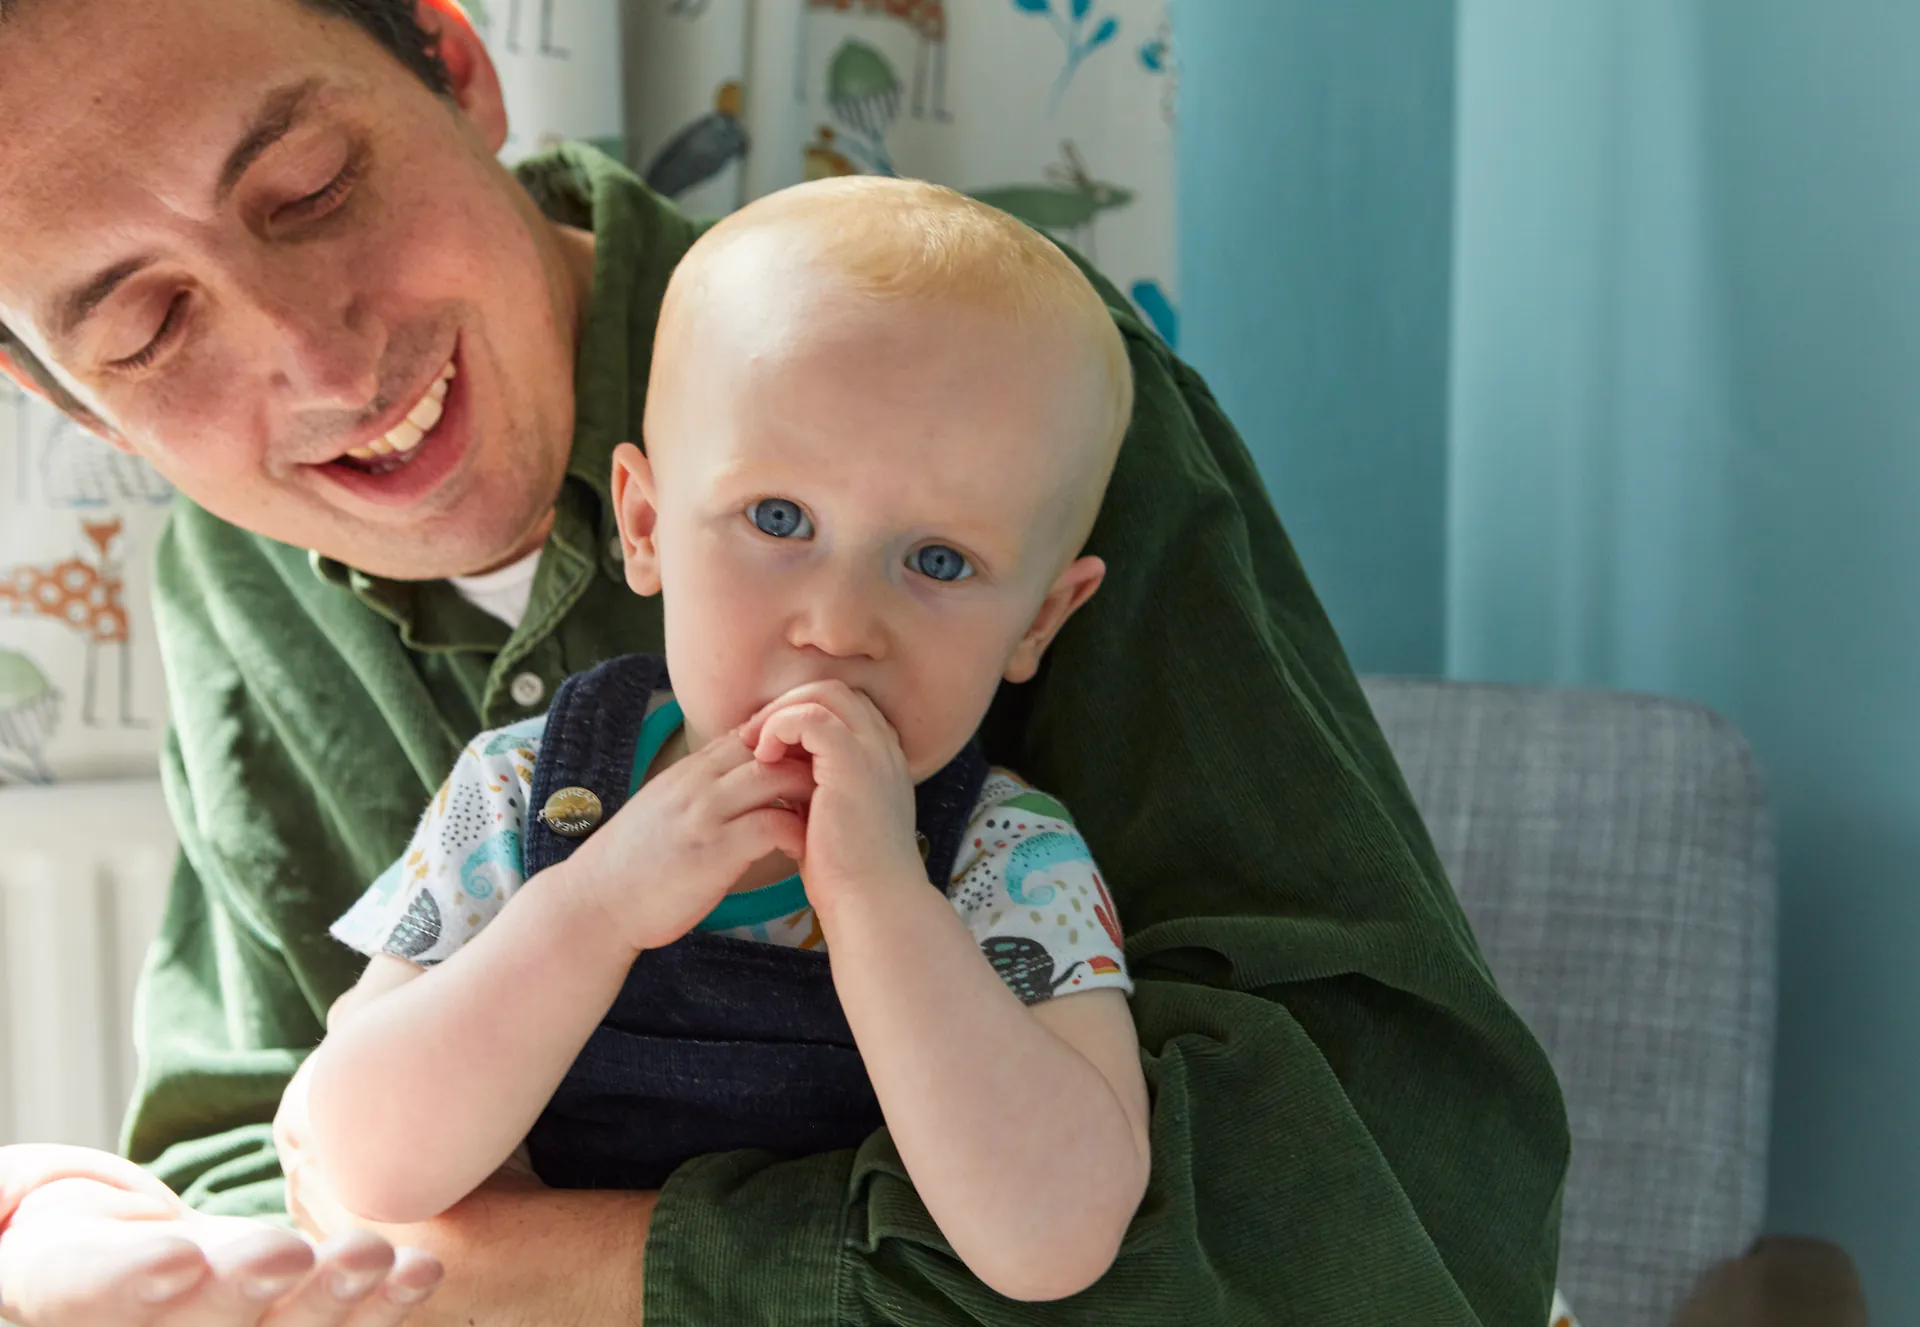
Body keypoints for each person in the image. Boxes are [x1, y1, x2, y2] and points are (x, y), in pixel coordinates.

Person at [0, 0, 1570, 1323]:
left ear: (454, 62)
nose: (322, 360)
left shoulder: (989, 389)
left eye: (313, 185)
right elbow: (258, 1147)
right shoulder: (235, 578)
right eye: (145, 328)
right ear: (74, 400)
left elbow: (1402, 1206)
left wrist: (602, 1264)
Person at [304, 176, 1151, 1302]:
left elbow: (1053, 1242)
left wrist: (884, 906)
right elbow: (361, 1157)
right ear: (646, 527)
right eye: (779, 520)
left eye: (939, 561)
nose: (841, 626)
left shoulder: (1008, 860)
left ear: (1038, 618)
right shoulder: (518, 795)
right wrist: (594, 906)